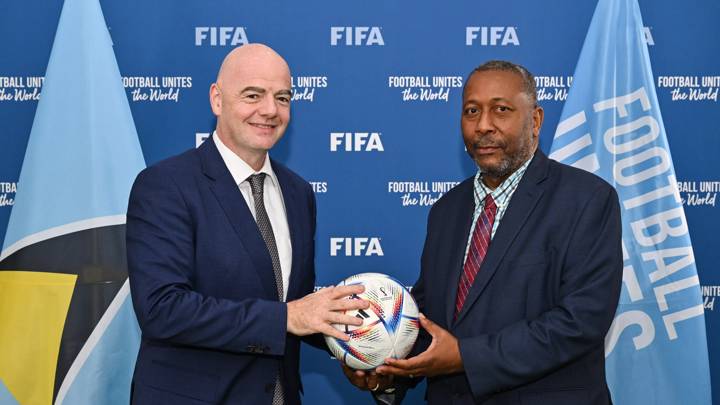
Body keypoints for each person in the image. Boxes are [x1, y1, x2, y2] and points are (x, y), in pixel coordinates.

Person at [343, 60, 623, 404]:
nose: (483, 125)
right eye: (471, 111)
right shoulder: (446, 211)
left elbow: (581, 320)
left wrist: (464, 356)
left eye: (501, 110)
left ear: (535, 121)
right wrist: (385, 371)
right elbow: (430, 321)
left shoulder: (586, 199)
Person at [126, 44, 368, 405]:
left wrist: (359, 340)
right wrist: (288, 315)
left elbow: (293, 305)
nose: (270, 110)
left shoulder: (299, 193)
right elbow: (163, 309)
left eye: (282, 98)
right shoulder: (165, 185)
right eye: (253, 95)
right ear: (217, 99)